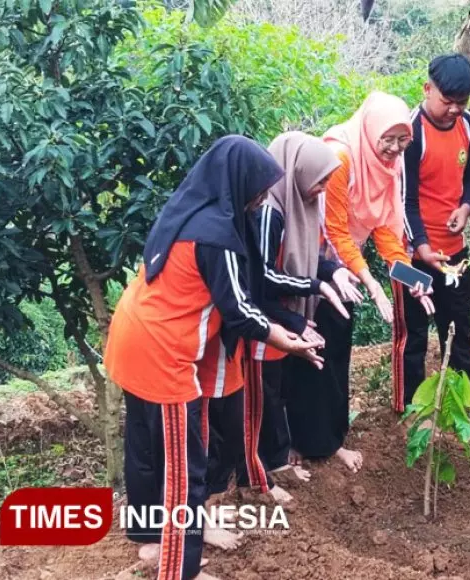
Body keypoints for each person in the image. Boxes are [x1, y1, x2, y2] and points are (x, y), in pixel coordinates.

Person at [104, 135, 325, 580]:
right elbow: (238, 309)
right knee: (184, 468)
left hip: (134, 337)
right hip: (161, 353)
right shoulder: (217, 235)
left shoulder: (192, 211)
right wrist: (286, 337)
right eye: (260, 189)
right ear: (239, 183)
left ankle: (154, 542)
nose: (264, 199)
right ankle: (179, 570)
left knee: (147, 454)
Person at [285, 92, 434, 473]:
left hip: (345, 271)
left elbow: (385, 229)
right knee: (304, 354)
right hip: (310, 264)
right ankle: (295, 445)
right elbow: (334, 230)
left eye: (404, 141)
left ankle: (330, 441)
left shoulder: (388, 168)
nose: (395, 149)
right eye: (389, 139)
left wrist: (410, 278)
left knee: (336, 353)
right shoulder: (342, 156)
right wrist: (372, 284)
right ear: (370, 132)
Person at [252, 131, 362, 499]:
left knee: (291, 379)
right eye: (320, 180)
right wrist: (312, 288)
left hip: (289, 308)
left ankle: (299, 447)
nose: (323, 189)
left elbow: (308, 255)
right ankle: (276, 462)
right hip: (268, 313)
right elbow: (262, 275)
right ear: (296, 171)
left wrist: (332, 271)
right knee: (269, 386)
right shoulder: (271, 210)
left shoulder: (303, 202)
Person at [401, 53, 470, 422]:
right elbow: (405, 199)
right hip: (411, 258)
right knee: (413, 334)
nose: (454, 109)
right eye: (447, 101)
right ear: (428, 89)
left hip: (454, 254)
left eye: (462, 103)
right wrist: (422, 246)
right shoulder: (411, 132)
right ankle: (413, 407)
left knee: (458, 328)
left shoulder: (468, 126)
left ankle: (464, 400)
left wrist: (466, 207)